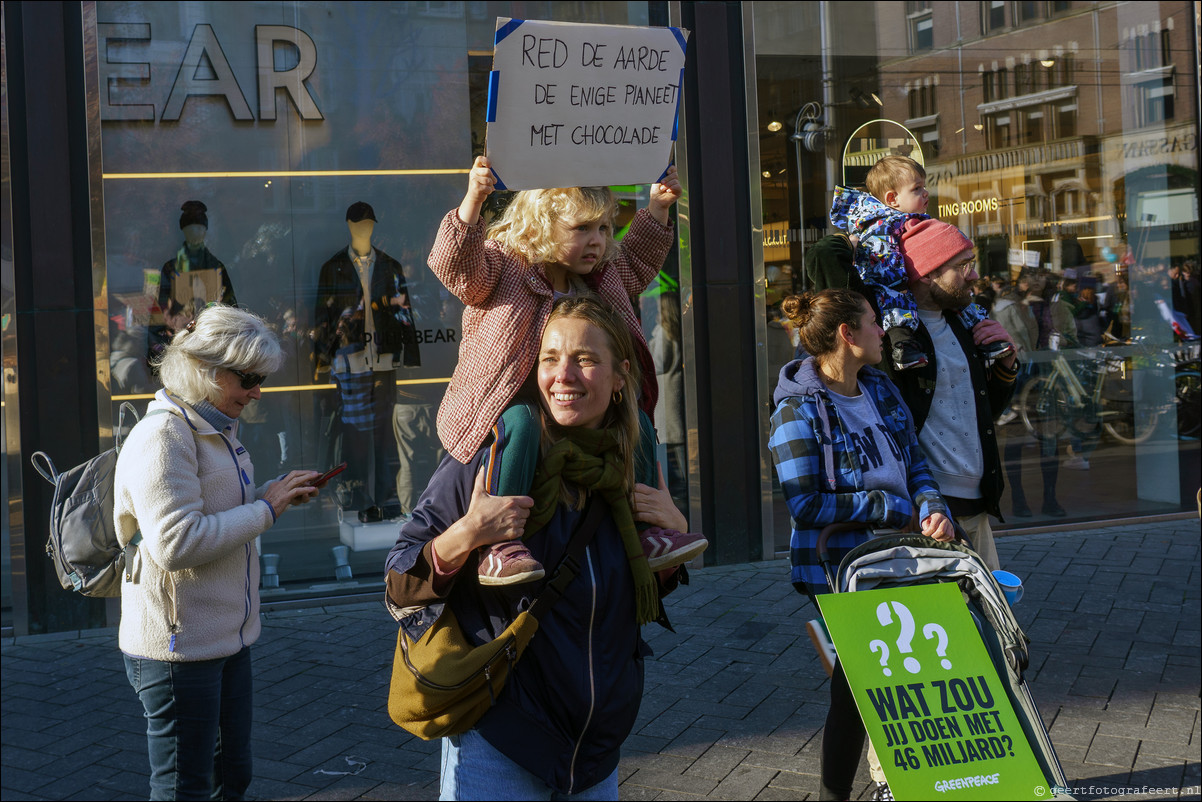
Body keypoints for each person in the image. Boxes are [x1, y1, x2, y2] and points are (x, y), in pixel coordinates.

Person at [385, 297, 700, 800]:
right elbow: (401, 581)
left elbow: (623, 598)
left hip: (597, 749)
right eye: (550, 358)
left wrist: (671, 539)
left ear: (621, 376)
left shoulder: (632, 467)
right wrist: (468, 533)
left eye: (585, 359)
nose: (563, 375)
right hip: (502, 740)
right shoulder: (491, 456)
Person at [428, 156, 705, 586]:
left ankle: (652, 531)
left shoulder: (601, 276)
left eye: (604, 229)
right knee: (520, 422)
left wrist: (657, 209)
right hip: (507, 409)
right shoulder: (506, 265)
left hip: (577, 413)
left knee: (640, 420)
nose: (596, 242)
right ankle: (500, 546)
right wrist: (474, 199)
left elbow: (636, 264)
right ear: (540, 224)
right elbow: (457, 269)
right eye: (581, 229)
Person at [113, 305, 324, 800]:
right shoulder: (165, 435)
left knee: (231, 777)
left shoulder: (213, 427)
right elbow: (175, 541)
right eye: (248, 378)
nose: (256, 392)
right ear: (207, 371)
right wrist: (265, 511)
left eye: (261, 379)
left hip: (224, 638)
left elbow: (214, 512)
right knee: (185, 788)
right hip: (177, 649)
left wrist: (273, 494)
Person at [768, 289, 952, 802]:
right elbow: (806, 505)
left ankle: (905, 782)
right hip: (838, 567)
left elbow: (914, 461)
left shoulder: (879, 388)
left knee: (883, 677)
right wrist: (889, 508)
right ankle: (864, 789)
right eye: (872, 322)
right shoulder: (796, 411)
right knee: (865, 679)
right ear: (848, 335)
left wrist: (933, 505)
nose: (881, 331)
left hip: (906, 555)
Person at [882, 218, 1020, 568]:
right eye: (963, 266)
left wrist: (1007, 367)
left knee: (992, 615)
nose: (974, 275)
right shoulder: (896, 339)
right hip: (929, 512)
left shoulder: (964, 323)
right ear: (926, 273)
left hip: (977, 500)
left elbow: (983, 411)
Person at [829, 156, 1013, 371]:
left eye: (924, 186)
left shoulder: (916, 220)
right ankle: (903, 348)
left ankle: (986, 339)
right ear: (892, 198)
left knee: (965, 306)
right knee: (898, 310)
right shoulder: (880, 227)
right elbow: (882, 261)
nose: (925, 193)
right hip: (891, 283)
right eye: (917, 188)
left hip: (906, 283)